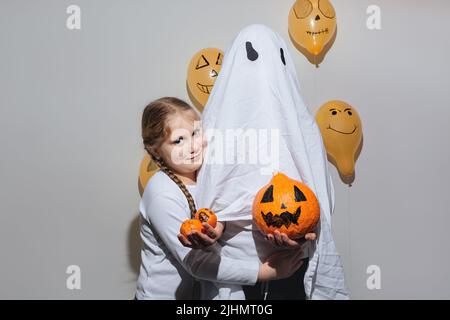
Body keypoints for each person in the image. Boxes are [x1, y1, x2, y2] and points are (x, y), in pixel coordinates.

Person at [192, 24, 350, 300]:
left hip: (292, 271)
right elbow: (207, 208)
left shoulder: (302, 128)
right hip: (235, 276)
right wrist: (211, 230)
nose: (262, 72)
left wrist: (301, 237)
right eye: (252, 57)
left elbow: (316, 209)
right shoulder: (213, 129)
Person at [135, 96, 307, 300]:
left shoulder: (207, 173)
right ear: (154, 151)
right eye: (178, 140)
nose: (192, 146)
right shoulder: (162, 193)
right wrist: (264, 272)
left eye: (195, 133)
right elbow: (196, 262)